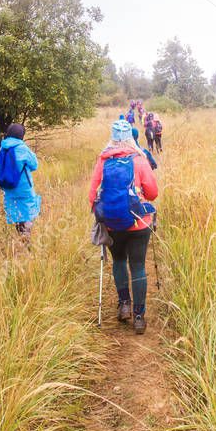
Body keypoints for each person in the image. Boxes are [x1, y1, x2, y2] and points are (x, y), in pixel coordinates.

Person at [88, 119, 158, 334]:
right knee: (137, 266)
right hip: (139, 223)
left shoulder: (103, 160)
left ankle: (124, 304)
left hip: (112, 223)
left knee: (119, 260)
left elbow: (92, 196)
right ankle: (139, 316)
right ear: (130, 137)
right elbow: (153, 193)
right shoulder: (139, 159)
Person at [0, 123, 41, 240]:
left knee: (16, 211)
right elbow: (34, 165)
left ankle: (20, 234)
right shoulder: (22, 148)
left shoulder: (3, 147)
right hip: (23, 187)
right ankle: (26, 240)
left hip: (8, 187)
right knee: (27, 213)